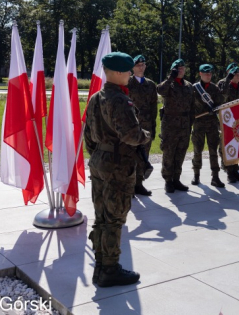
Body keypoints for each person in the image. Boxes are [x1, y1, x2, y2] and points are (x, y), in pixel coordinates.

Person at [84, 52, 151, 287]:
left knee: (101, 216)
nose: (131, 74)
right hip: (117, 165)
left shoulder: (95, 97)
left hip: (100, 160)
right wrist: (146, 136)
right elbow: (132, 135)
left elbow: (88, 136)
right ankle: (110, 270)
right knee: (115, 218)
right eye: (129, 71)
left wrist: (100, 152)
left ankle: (101, 265)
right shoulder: (120, 100)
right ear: (121, 73)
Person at [157, 59, 195, 193]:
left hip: (184, 125)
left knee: (180, 152)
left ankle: (176, 179)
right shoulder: (169, 84)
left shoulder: (189, 86)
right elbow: (160, 90)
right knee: (169, 152)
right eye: (177, 69)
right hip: (170, 125)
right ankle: (168, 180)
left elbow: (192, 106)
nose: (181, 71)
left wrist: (191, 124)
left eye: (182, 68)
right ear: (172, 70)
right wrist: (170, 78)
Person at [191, 64, 225, 188]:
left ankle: (215, 176)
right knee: (197, 150)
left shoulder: (215, 88)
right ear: (200, 74)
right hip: (198, 123)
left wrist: (215, 108)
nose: (208, 75)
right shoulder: (194, 88)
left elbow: (220, 103)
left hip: (211, 124)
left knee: (213, 151)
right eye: (205, 73)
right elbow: (189, 105)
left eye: (210, 73)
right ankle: (196, 174)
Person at [127, 55, 157, 196]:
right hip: (130, 126)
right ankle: (129, 186)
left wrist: (153, 126)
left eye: (143, 64)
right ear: (133, 67)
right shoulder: (127, 83)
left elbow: (153, 107)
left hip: (146, 127)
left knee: (143, 155)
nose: (141, 67)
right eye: (138, 65)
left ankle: (138, 184)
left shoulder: (150, 85)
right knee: (129, 156)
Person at [218, 65, 239, 183]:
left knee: (237, 145)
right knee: (227, 146)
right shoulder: (223, 83)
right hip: (226, 121)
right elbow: (221, 96)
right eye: (235, 74)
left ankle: (235, 169)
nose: (238, 75)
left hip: (238, 122)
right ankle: (229, 172)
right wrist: (227, 79)